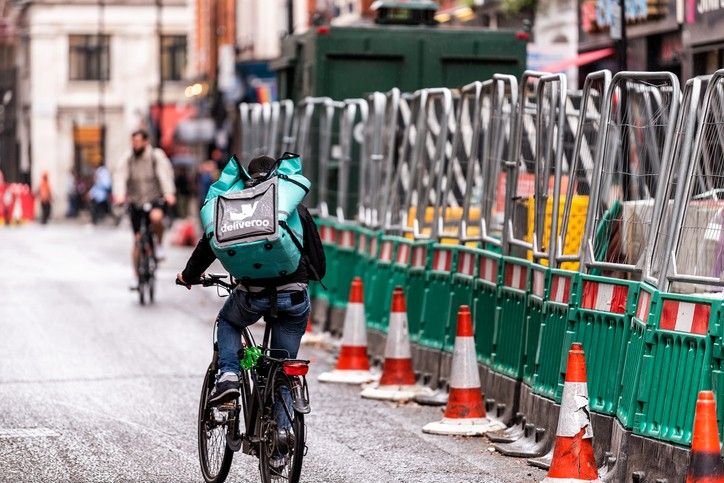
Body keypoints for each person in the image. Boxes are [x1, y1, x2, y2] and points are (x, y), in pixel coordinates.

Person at [176, 155, 323, 458]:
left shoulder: (235, 206)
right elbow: (319, 266)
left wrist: (189, 275)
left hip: (252, 294)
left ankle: (228, 374)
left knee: (228, 322)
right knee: (283, 365)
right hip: (293, 296)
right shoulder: (291, 206)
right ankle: (281, 437)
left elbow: (210, 242)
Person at [113, 129, 176, 281]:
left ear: (146, 141)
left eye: (138, 141)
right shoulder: (128, 158)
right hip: (136, 201)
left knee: (156, 218)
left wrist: (169, 193)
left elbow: (164, 175)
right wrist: (120, 194)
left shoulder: (156, 156)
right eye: (133, 142)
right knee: (137, 239)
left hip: (155, 198)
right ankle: (137, 276)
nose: (135, 145)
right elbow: (120, 175)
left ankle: (159, 246)